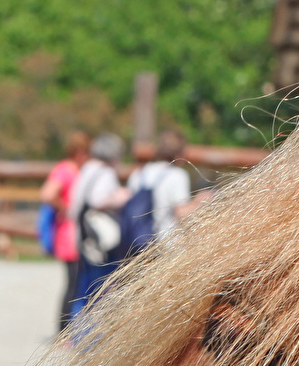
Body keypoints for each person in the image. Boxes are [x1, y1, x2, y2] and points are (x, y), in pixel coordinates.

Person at [68, 132, 129, 328]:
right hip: (100, 240)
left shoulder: (86, 169)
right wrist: (120, 197)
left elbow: (74, 206)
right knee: (99, 287)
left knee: (83, 286)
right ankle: (91, 335)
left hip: (83, 236)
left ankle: (76, 332)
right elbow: (97, 200)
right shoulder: (105, 172)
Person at [39, 131, 89, 333]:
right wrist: (65, 207)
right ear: (78, 152)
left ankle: (66, 329)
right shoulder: (66, 170)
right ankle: (64, 330)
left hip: (71, 234)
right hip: (68, 235)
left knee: (73, 282)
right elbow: (47, 193)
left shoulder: (71, 170)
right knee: (72, 284)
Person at [126, 129, 194, 241]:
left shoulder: (139, 173)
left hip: (137, 243)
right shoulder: (177, 175)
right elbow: (181, 212)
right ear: (179, 153)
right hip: (165, 243)